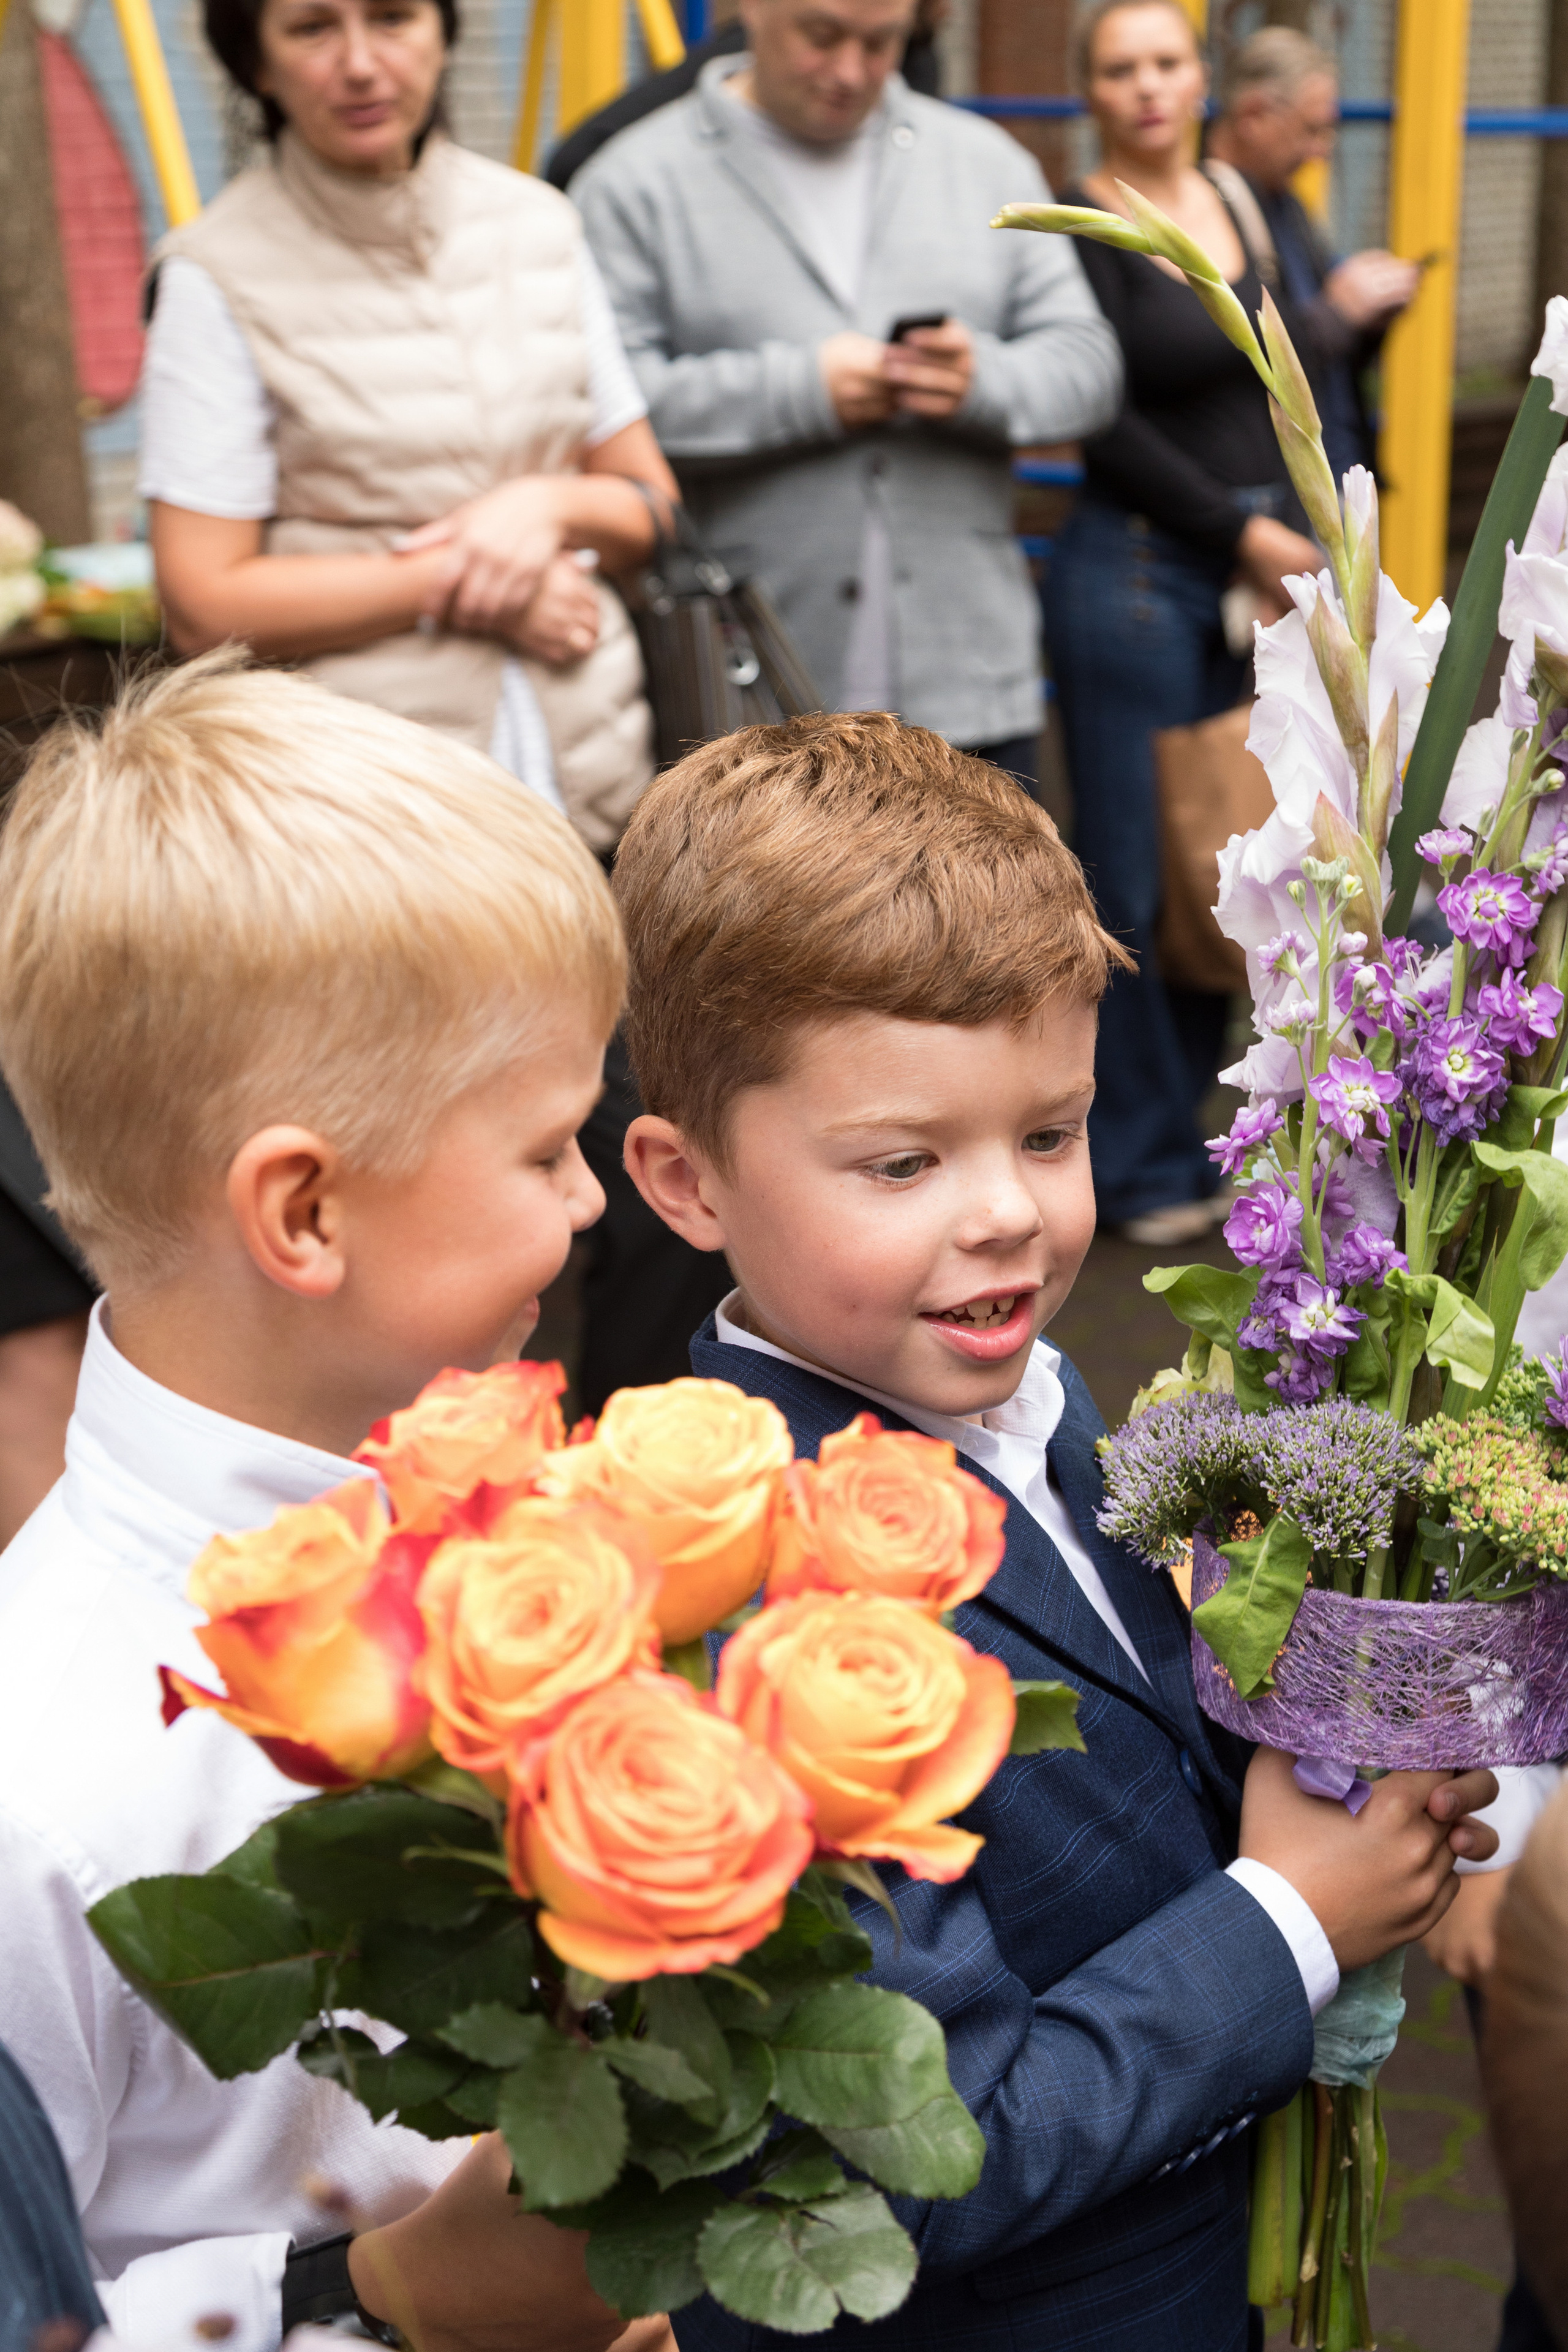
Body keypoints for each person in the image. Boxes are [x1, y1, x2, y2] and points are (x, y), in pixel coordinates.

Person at [609, 709, 1502, 2352]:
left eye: (1049, 1131)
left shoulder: (1014, 1380)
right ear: (686, 1183)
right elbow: (929, 2153)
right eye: (902, 1162)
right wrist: (1289, 1923)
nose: (1012, 1211)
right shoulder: (743, 1590)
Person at [0, 655, 660, 2352]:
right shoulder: (51, 1796)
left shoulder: (518, 1518)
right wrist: (388, 2303)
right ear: (303, 1213)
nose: (594, 1198)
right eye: (544, 1149)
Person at [141, 0, 674, 853]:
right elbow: (203, 603)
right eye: (312, 28)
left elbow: (649, 503)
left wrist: (545, 510)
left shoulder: (541, 224)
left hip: (598, 786)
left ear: (443, 33)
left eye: (393, 18)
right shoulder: (214, 272)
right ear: (257, 64)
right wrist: (473, 584)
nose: (360, 63)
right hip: (371, 818)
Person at [571, 0, 1121, 800]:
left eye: (881, 42)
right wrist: (802, 390)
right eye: (822, 35)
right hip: (742, 701)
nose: (851, 71)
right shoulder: (630, 181)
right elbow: (600, 409)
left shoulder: (985, 164)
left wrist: (980, 383)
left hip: (967, 681)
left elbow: (1089, 365)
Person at [1040, 0, 1322, 1246]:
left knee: (1250, 857)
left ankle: (1221, 1134)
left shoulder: (1237, 194)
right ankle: (1140, 1164)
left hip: (1257, 573)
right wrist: (1242, 532)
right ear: (1089, 89)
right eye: (1119, 68)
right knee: (1139, 872)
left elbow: (1301, 368)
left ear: (1198, 76)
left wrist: (1329, 526)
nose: (1147, 86)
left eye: (1165, 61)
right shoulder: (1079, 222)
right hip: (1147, 573)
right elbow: (1098, 421)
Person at [1207, 28, 1418, 489]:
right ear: (1254, 113)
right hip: (1280, 488)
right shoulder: (1206, 208)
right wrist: (1336, 313)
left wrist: (1367, 316)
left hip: (1333, 472)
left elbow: (1326, 355)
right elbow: (1227, 359)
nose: (1320, 151)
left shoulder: (1287, 203)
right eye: (1311, 130)